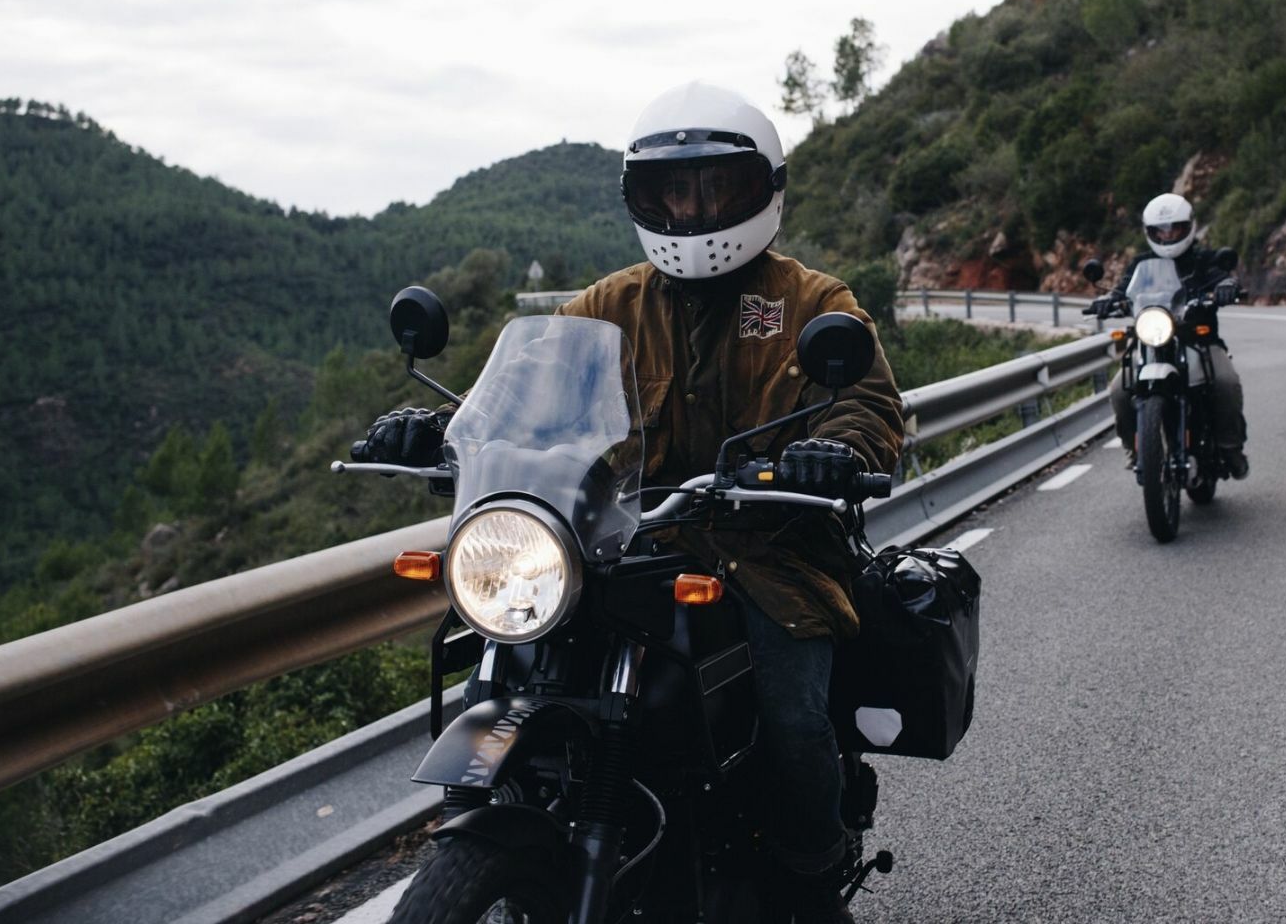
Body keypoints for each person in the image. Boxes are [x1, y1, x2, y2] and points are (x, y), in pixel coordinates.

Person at [364, 82, 901, 924]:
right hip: (615, 549)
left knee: (794, 719)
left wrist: (840, 449)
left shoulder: (811, 303)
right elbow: (518, 404)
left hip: (768, 553)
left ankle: (811, 875)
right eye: (672, 190)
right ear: (643, 198)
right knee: (497, 679)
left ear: (759, 187)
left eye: (715, 185)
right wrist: (436, 429)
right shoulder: (606, 306)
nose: (694, 208)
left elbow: (868, 405)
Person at [1106, 191, 1249, 479]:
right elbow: (1123, 289)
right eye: (1161, 230)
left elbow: (1223, 276)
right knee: (1120, 391)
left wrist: (1227, 286)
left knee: (1226, 383)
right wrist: (1109, 299)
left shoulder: (1204, 259)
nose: (1168, 235)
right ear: (1150, 232)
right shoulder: (1141, 265)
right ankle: (1136, 450)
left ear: (1189, 227)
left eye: (1175, 228)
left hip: (1200, 341)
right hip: (1152, 343)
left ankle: (1230, 448)